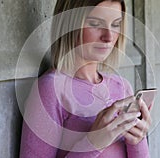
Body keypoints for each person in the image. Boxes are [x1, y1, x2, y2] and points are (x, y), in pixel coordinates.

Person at [20, 0, 151, 157]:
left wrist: (137, 139)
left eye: (116, 24)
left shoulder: (122, 86)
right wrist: (93, 143)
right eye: (95, 23)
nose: (108, 37)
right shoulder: (51, 89)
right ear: (69, 25)